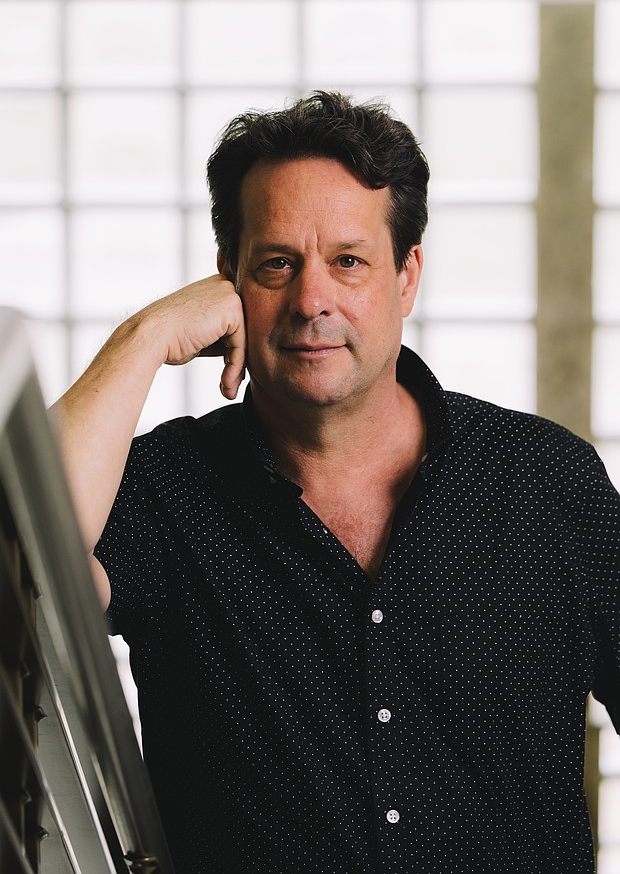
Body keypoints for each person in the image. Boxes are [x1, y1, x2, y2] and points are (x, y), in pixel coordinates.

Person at [52, 91, 620, 874]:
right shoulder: (162, 493)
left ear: (406, 277)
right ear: (228, 283)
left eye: (348, 261)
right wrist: (143, 337)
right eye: (277, 264)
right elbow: (21, 563)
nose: (312, 300)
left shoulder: (547, 481)